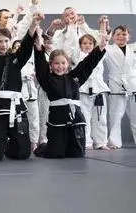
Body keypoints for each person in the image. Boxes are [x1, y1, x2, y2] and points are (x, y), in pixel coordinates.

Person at [0, 11, 42, 161]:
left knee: (23, 154)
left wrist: (33, 24)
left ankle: (11, 146)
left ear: (10, 42)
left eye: (6, 41)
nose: (3, 45)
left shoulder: (16, 59)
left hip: (15, 105)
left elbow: (26, 46)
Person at [33, 28, 109, 158]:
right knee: (56, 154)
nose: (60, 66)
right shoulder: (47, 79)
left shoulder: (74, 78)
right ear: (50, 65)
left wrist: (101, 45)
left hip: (75, 119)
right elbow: (40, 65)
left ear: (68, 64)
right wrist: (39, 47)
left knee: (77, 153)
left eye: (63, 63)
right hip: (57, 119)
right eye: (56, 63)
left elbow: (88, 64)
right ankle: (42, 147)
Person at [73, 33, 110, 150]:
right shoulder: (77, 56)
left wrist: (104, 25)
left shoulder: (99, 55)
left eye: (90, 43)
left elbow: (103, 43)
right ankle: (86, 142)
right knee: (84, 117)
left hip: (98, 90)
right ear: (80, 45)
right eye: (84, 43)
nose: (87, 45)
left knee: (100, 117)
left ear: (94, 45)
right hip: (83, 90)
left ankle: (101, 142)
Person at [104, 24, 136, 149]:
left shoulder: (133, 48)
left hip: (133, 85)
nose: (121, 37)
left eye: (124, 34)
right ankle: (114, 142)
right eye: (118, 34)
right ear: (112, 37)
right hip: (116, 84)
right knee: (115, 115)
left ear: (129, 36)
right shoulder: (108, 49)